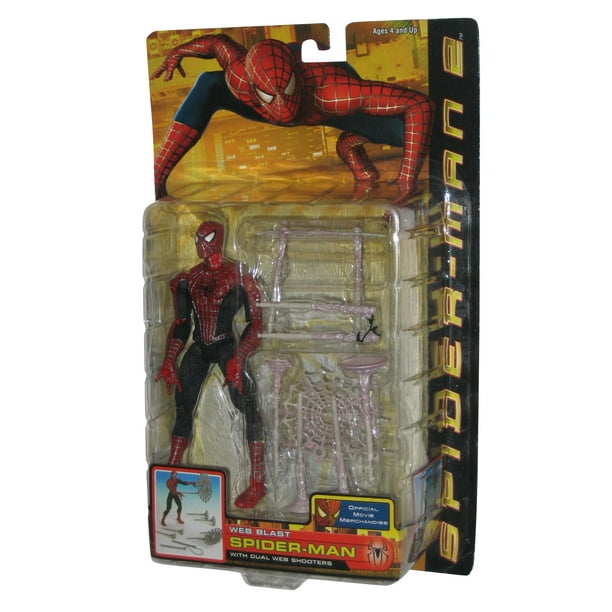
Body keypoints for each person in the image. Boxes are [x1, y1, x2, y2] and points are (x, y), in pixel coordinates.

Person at [151, 35, 434, 202]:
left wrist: (406, 181)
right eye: (271, 95)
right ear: (252, 83)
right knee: (209, 83)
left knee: (416, 133)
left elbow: (419, 105)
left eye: (286, 91)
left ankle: (350, 143)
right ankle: (157, 174)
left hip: (327, 109)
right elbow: (216, 43)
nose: (282, 106)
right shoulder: (238, 74)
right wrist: (178, 52)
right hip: (267, 100)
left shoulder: (334, 91)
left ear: (296, 79)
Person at [156, 221, 266, 508]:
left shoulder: (239, 277)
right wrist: (169, 359)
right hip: (200, 346)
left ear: (218, 239)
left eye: (206, 238)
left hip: (227, 344)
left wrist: (239, 357)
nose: (200, 244)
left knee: (249, 407)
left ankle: (257, 482)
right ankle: (171, 473)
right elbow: (182, 323)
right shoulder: (187, 279)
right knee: (183, 407)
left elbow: (256, 325)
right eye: (197, 238)